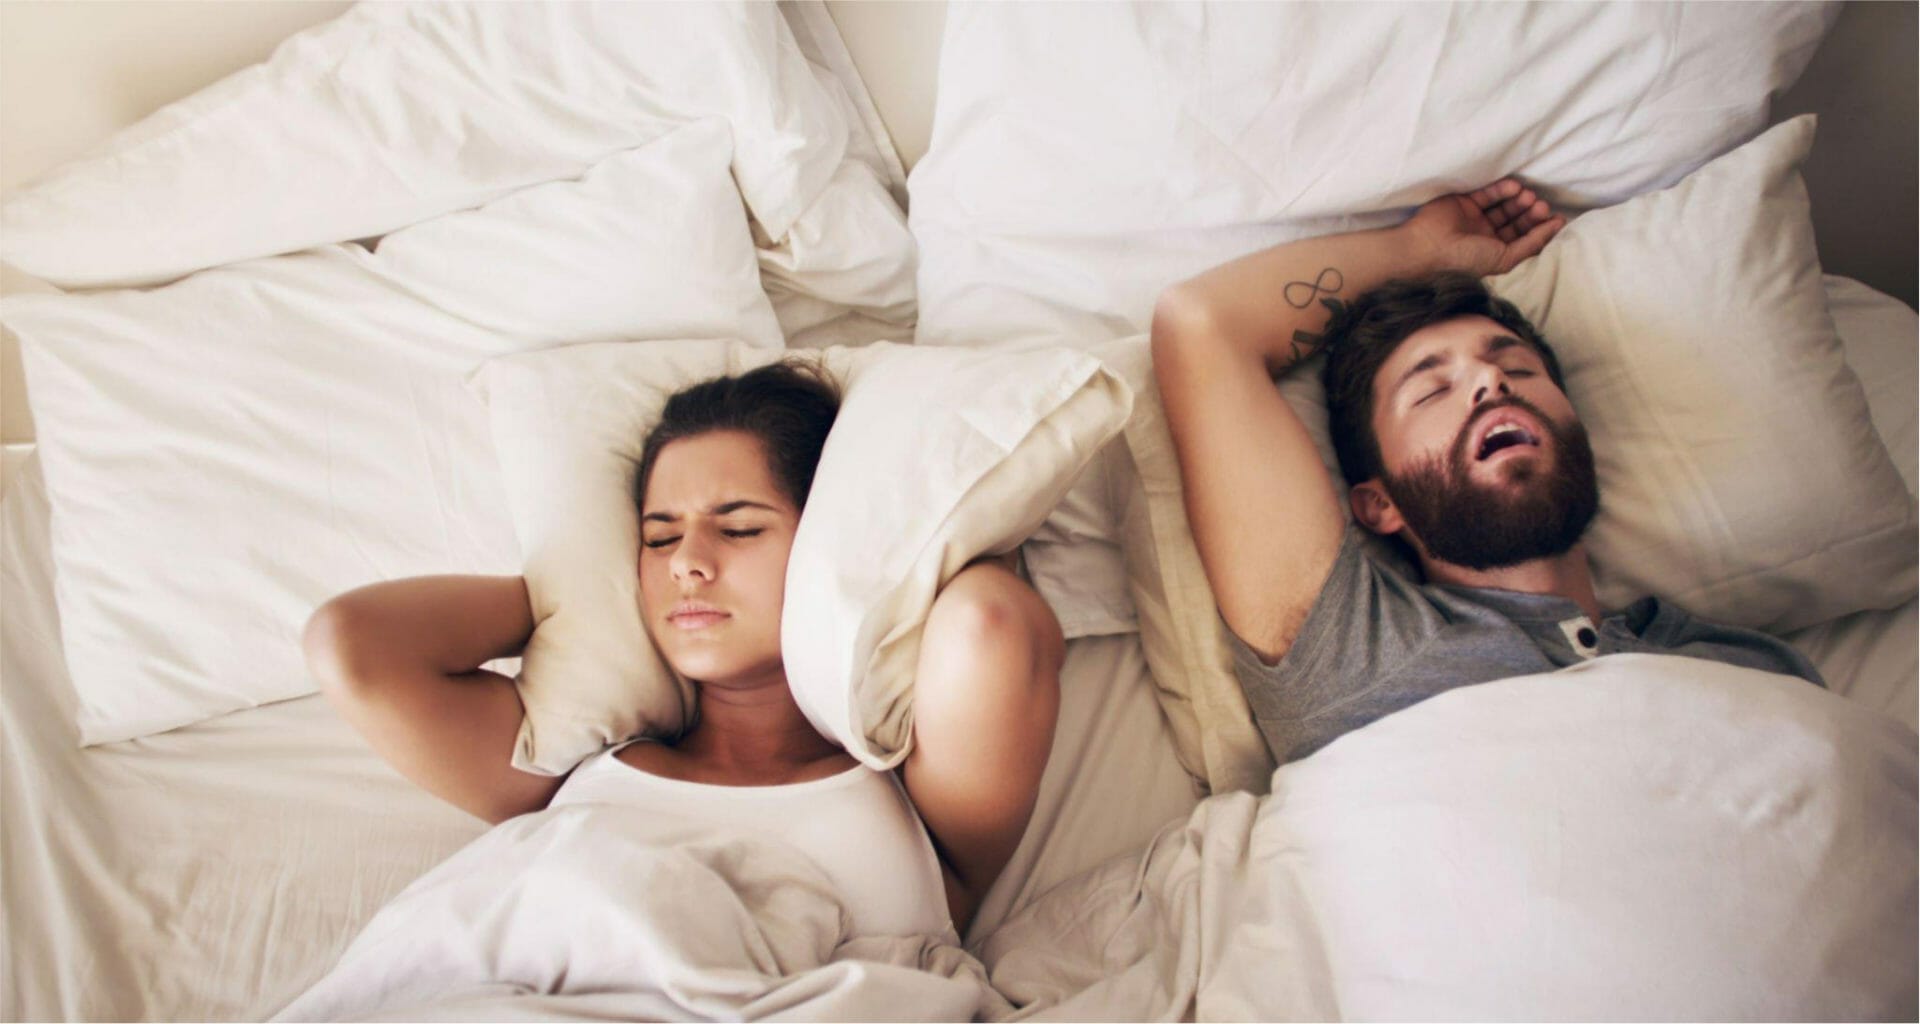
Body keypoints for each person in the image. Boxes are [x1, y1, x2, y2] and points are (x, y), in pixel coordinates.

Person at [302, 361, 1064, 933]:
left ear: (826, 542)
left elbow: (989, 623)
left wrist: (869, 577)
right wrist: (577, 600)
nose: (684, 564)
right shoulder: (555, 773)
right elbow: (354, 646)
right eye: (658, 536)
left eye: (738, 528)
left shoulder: (923, 803)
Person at [1150, 179, 1822, 767]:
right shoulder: (1353, 652)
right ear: (1380, 503)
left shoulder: (1742, 666)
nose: (1490, 380)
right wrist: (1417, 252)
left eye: (1518, 367)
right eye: (1431, 390)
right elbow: (1202, 326)